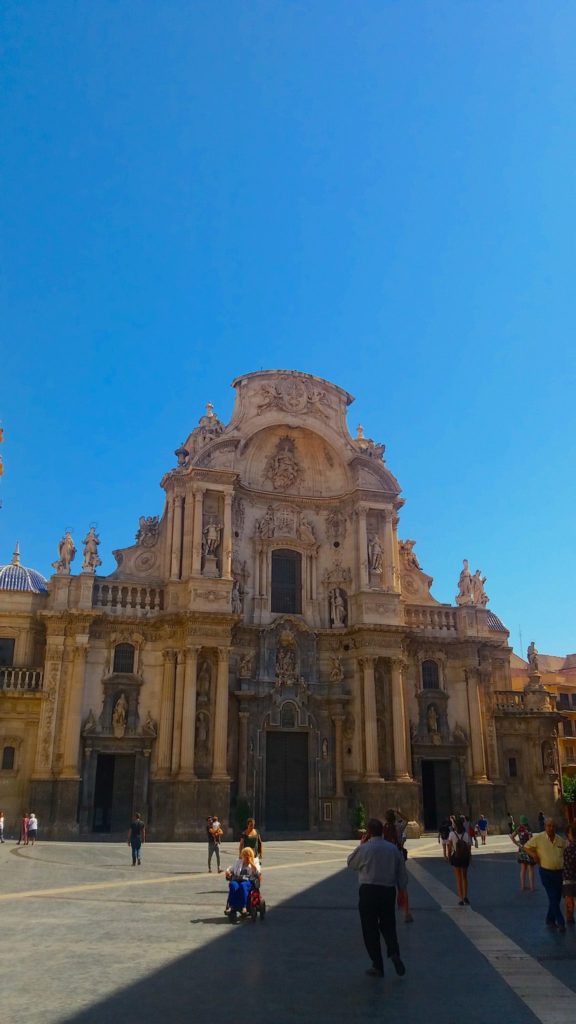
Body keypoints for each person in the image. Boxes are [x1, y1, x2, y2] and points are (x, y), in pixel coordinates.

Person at [347, 817, 407, 979]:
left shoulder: (365, 848)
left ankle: (377, 965)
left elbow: (351, 863)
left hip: (368, 891)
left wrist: (360, 846)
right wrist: (402, 891)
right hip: (388, 892)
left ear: (368, 833)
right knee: (388, 925)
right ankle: (393, 952)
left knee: (370, 928)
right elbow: (402, 871)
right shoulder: (392, 849)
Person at [524, 818, 567, 931]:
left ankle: (549, 919)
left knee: (556, 898)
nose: (551, 828)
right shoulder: (538, 838)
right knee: (553, 896)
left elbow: (566, 852)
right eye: (548, 826)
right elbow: (526, 846)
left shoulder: (560, 840)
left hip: (559, 873)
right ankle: (561, 922)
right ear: (545, 826)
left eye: (552, 826)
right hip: (546, 872)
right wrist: (533, 854)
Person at [225, 847, 261, 919]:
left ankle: (244, 906)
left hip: (249, 881)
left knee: (243, 885)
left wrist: (251, 862)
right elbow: (230, 869)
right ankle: (232, 906)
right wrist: (228, 872)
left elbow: (257, 872)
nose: (246, 856)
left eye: (248, 854)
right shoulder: (239, 862)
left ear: (251, 855)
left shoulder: (255, 862)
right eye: (245, 854)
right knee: (232, 885)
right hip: (238, 879)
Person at [448, 815, 472, 906]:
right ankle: (466, 897)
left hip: (456, 858)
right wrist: (469, 857)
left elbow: (449, 848)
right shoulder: (465, 835)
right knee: (465, 877)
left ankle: (461, 899)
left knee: (458, 879)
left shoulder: (452, 834)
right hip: (465, 858)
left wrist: (449, 858)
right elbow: (469, 847)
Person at [510, 815, 536, 892]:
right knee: (530, 868)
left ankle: (522, 886)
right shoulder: (528, 829)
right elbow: (530, 840)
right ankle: (532, 887)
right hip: (528, 849)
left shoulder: (518, 828)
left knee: (522, 869)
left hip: (521, 849)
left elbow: (512, 836)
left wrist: (518, 844)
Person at [562, 824, 576, 926]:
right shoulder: (568, 847)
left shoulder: (568, 848)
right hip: (570, 877)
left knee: (569, 901)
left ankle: (570, 920)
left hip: (569, 877)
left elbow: (565, 863)